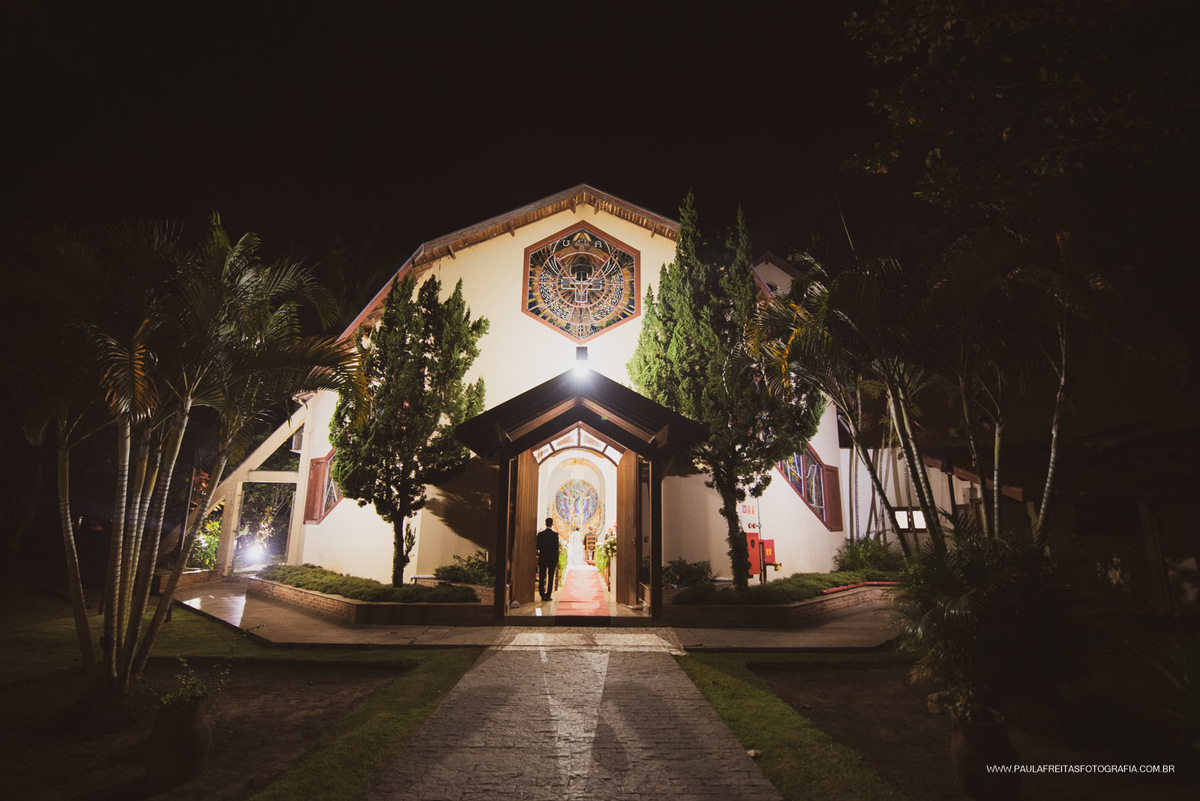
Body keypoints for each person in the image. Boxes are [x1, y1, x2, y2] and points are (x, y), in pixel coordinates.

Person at [536, 517, 559, 602]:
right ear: (552, 524)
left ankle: (542, 595)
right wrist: (556, 560)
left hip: (543, 558)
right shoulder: (555, 535)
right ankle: (548, 595)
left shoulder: (540, 534)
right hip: (552, 559)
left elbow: (538, 547)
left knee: (542, 577)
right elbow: (556, 549)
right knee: (551, 577)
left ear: (545, 524)